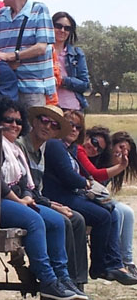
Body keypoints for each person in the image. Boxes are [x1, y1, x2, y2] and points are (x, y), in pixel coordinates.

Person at [0, 97, 92, 300]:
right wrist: (19, 199)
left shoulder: (15, 149)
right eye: (8, 120)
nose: (14, 125)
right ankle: (48, 280)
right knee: (35, 221)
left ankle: (63, 278)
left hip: (16, 199)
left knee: (56, 221)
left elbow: (25, 182)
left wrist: (25, 196)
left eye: (17, 121)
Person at [16, 105, 100, 300]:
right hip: (20, 202)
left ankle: (73, 281)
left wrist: (51, 204)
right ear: (34, 122)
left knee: (76, 219)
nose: (48, 127)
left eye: (53, 125)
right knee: (62, 220)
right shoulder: (20, 147)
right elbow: (22, 188)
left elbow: (35, 189)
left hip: (34, 200)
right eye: (44, 121)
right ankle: (58, 280)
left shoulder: (41, 151)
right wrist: (50, 205)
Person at [43, 110, 137, 285]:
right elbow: (70, 177)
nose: (74, 129)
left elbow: (87, 176)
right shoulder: (56, 145)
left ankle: (114, 263)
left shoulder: (69, 148)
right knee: (103, 216)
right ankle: (100, 266)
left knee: (111, 211)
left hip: (71, 193)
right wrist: (84, 183)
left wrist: (86, 182)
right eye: (70, 124)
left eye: (78, 127)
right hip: (60, 194)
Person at [0, 0, 56, 108]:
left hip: (33, 88)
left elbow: (41, 47)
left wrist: (10, 56)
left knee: (33, 127)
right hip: (7, 87)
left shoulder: (39, 10)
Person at [83, 129, 137, 277]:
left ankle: (128, 262)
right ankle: (111, 259)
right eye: (120, 147)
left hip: (99, 198)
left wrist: (119, 165)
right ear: (112, 146)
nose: (122, 152)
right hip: (90, 197)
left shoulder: (118, 165)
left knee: (128, 212)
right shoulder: (99, 160)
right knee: (116, 211)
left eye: (127, 150)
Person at [52, 12, 90, 110]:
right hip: (48, 107)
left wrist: (62, 80)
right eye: (58, 26)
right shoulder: (41, 52)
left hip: (72, 109)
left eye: (67, 28)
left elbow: (85, 85)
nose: (62, 30)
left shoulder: (77, 54)